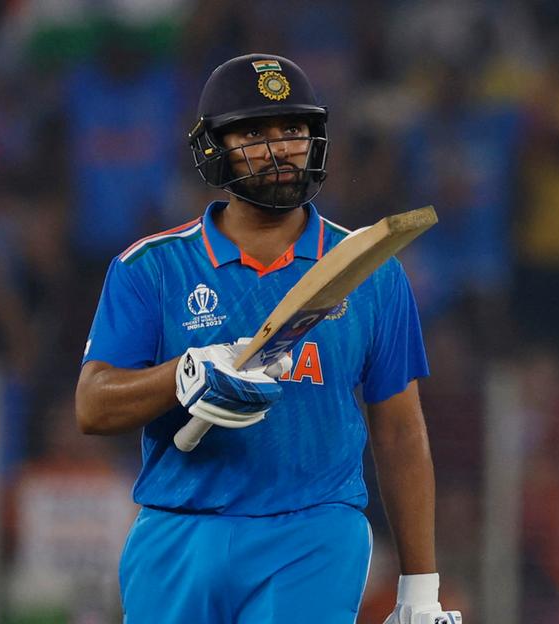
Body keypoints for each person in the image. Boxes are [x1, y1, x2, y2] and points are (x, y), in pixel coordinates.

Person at [74, 53, 459, 624]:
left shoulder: (371, 270)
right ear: (213, 148)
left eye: (294, 130)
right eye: (254, 132)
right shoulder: (150, 268)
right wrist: (185, 375)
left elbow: (400, 430)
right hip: (178, 530)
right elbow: (93, 405)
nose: (279, 148)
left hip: (313, 532)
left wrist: (420, 591)